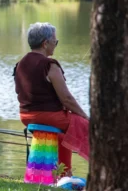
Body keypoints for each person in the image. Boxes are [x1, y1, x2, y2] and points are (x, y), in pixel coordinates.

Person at [13, 22, 89, 175]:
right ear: (45, 43)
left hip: (26, 116)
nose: (56, 44)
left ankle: (64, 173)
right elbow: (66, 99)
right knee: (86, 126)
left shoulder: (20, 64)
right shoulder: (50, 65)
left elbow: (19, 92)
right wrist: (84, 116)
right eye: (55, 41)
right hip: (48, 116)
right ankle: (107, 167)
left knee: (63, 135)